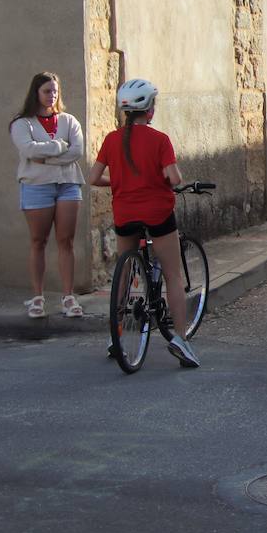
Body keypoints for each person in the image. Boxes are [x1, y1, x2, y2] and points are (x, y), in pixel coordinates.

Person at [89, 79, 200, 367]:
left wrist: (122, 181)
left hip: (125, 213)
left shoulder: (112, 139)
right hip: (158, 213)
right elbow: (174, 178)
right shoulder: (159, 139)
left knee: (123, 275)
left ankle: (117, 335)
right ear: (149, 110)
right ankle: (180, 338)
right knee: (174, 276)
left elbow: (93, 177)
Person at [9, 71, 86, 319]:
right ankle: (38, 297)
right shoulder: (22, 123)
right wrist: (57, 147)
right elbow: (29, 150)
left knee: (66, 240)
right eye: (46, 91)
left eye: (54, 91)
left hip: (68, 184)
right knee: (38, 241)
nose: (51, 96)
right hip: (36, 185)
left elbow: (76, 152)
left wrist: (46, 157)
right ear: (36, 93)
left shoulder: (69, 121)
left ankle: (68, 296)